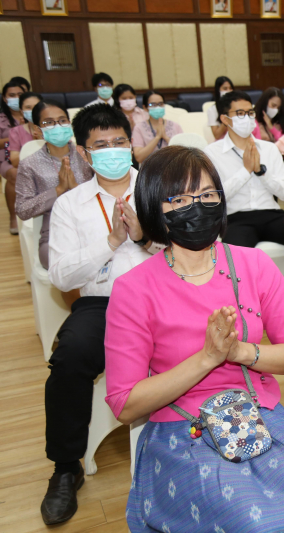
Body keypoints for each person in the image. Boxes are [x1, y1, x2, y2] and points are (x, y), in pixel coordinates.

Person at [104, 146, 284, 532]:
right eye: (180, 199)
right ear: (155, 209)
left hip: (260, 415)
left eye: (208, 195)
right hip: (182, 431)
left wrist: (239, 351)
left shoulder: (254, 265)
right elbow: (125, 404)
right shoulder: (134, 289)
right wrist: (207, 358)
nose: (198, 207)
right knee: (254, 524)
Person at [40, 103, 152, 525]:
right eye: (100, 145)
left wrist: (145, 239)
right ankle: (66, 467)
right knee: (69, 359)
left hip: (160, 296)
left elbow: (190, 248)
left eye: (119, 142)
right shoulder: (71, 205)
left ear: (131, 143)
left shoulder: (156, 189)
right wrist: (111, 241)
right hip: (102, 302)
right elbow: (61, 274)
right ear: (85, 155)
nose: (112, 151)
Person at [202, 91, 284, 291]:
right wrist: (245, 171)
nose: (248, 118)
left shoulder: (269, 149)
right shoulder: (212, 153)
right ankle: (246, 304)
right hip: (236, 218)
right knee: (234, 259)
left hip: (272, 214)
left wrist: (261, 172)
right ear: (225, 119)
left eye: (251, 113)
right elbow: (214, 198)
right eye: (240, 113)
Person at [16, 100, 93, 268]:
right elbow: (22, 210)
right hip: (55, 234)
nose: (57, 125)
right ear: (37, 130)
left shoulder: (88, 154)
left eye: (62, 120)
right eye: (49, 122)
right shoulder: (29, 164)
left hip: (94, 225)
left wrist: (75, 188)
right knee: (69, 267)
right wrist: (57, 190)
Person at [5, 91, 42, 231]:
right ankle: (15, 218)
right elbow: (14, 160)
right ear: (21, 111)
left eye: (36, 106)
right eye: (28, 107)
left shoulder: (51, 130)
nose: (32, 110)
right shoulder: (15, 131)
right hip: (27, 171)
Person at [1, 80, 26, 233]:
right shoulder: (2, 118)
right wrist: (17, 133)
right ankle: (13, 217)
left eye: (19, 94)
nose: (16, 98)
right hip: (6, 158)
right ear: (4, 98)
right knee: (14, 174)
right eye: (11, 95)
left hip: (34, 154)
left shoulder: (33, 114)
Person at [132, 90, 183, 163]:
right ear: (145, 107)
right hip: (150, 169)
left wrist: (166, 137)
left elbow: (183, 153)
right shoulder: (139, 128)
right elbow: (139, 157)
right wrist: (157, 137)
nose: (158, 107)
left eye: (160, 104)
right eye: (153, 104)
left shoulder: (175, 125)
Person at [207, 76, 260, 141]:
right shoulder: (213, 109)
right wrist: (228, 116)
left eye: (230, 88)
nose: (228, 91)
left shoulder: (241, 107)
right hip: (223, 141)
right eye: (225, 88)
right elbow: (217, 135)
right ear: (218, 90)